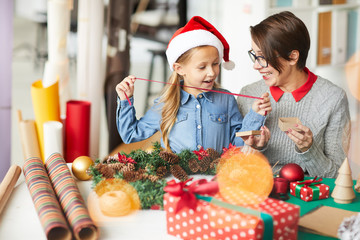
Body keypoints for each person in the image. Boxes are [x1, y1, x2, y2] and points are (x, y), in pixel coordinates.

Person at [115, 16, 271, 153]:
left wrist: (255, 115)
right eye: (202, 67)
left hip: (216, 178)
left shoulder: (226, 100)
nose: (211, 72)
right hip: (177, 180)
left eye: (215, 64)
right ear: (179, 69)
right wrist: (125, 100)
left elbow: (238, 143)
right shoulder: (166, 103)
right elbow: (131, 134)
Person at [237, 11, 351, 178]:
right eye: (254, 55)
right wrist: (255, 148)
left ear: (292, 57)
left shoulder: (333, 98)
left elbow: (338, 177)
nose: (256, 65)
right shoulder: (249, 94)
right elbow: (234, 164)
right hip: (258, 191)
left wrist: (308, 149)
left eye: (262, 57)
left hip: (309, 196)